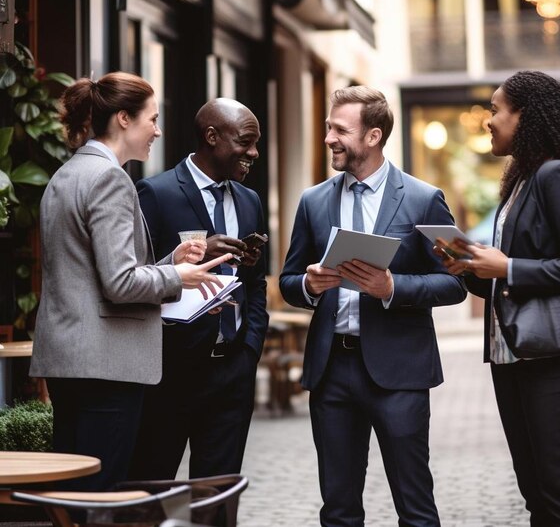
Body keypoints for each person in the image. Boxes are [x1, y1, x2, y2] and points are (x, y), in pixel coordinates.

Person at [30, 72, 231, 491]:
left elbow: (91, 270)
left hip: (71, 358)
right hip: (106, 364)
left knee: (73, 494)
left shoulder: (68, 174)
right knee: (100, 495)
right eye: (151, 119)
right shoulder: (110, 179)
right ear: (124, 118)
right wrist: (179, 275)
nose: (157, 130)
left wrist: (166, 263)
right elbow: (119, 282)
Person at [279, 85, 466, 527]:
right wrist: (307, 284)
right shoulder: (313, 201)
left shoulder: (425, 197)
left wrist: (392, 288)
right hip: (332, 374)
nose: (328, 139)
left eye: (339, 130)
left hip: (400, 373)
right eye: (328, 128)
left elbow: (460, 281)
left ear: (373, 136)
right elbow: (288, 282)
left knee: (415, 507)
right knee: (339, 510)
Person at [435, 70, 560, 526]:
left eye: (496, 110)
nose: (488, 121)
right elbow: (512, 277)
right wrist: (472, 269)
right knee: (537, 493)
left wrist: (506, 266)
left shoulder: (557, 176)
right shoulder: (522, 182)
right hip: (516, 356)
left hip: (555, 358)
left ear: (525, 117)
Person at [129, 97, 268, 480]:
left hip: (232, 371)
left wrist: (250, 348)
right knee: (153, 487)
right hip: (171, 372)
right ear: (212, 136)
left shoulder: (249, 200)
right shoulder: (156, 194)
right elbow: (138, 277)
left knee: (217, 496)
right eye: (245, 141)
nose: (254, 152)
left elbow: (255, 284)